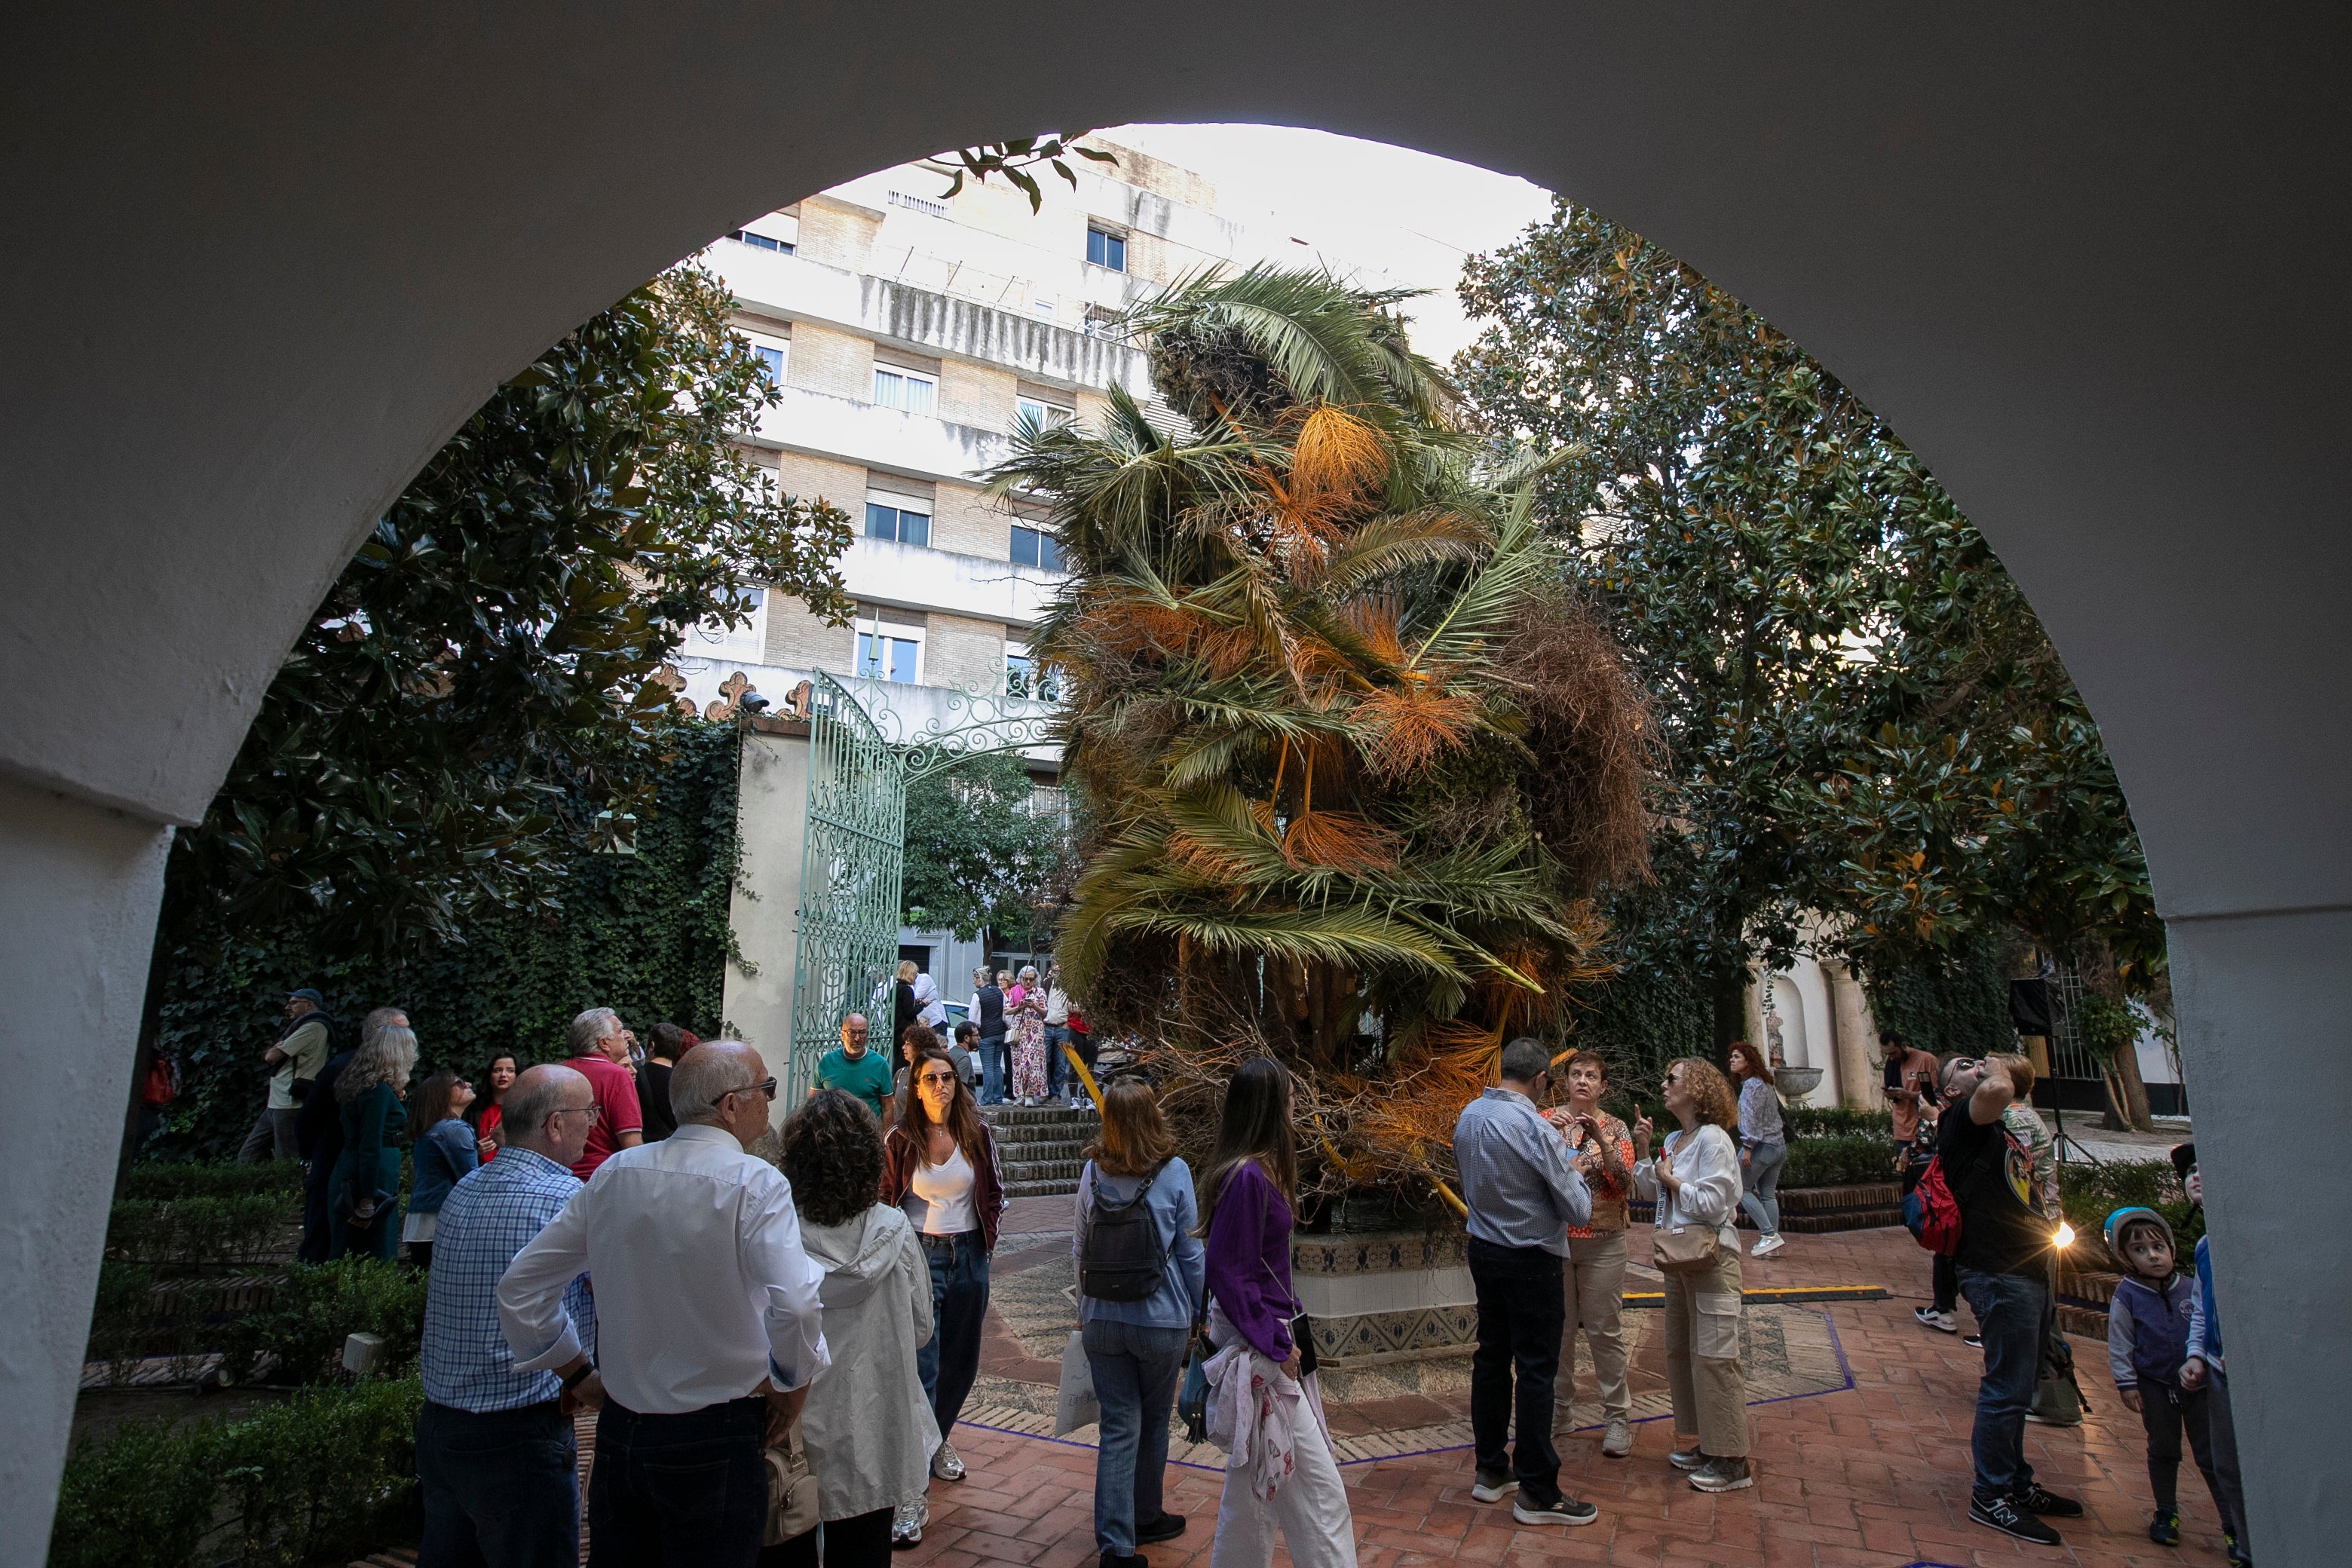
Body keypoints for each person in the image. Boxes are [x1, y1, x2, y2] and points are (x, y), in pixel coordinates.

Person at [498, 1041, 830, 1568]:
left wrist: (577, 1372)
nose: (771, 1100)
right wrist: (793, 1384)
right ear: (730, 1105)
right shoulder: (754, 1182)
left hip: (623, 1433)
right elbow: (794, 1304)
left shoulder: (614, 1174)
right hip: (715, 1436)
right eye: (765, 1089)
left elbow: (521, 1287)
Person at [415, 1064, 598, 1568]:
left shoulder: (464, 1190)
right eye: (590, 1113)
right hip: (519, 1435)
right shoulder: (565, 1200)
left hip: (441, 1424)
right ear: (556, 1124)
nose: (595, 1123)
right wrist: (589, 1377)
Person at [767, 1089, 939, 1568]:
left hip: (793, 1423)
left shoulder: (774, 1232)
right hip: (872, 1419)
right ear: (869, 1159)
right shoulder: (894, 1229)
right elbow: (922, 1326)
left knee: (788, 1539)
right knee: (863, 1551)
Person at [1199, 1057, 1358, 1568]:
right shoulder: (1248, 1177)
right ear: (1271, 1105)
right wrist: (1275, 1341)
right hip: (1264, 1351)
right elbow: (1228, 1269)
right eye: (1289, 1095)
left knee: (1255, 1494)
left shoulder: (1253, 1170)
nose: (1296, 1103)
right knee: (1318, 1492)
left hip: (1266, 1344)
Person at [1931, 1054, 2081, 1545]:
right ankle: (1990, 1494)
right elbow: (1998, 1089)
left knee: (2019, 1386)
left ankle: (2015, 1483)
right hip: (1997, 1271)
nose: (1977, 1064)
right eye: (1964, 1065)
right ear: (1950, 1092)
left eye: (1979, 1061)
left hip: (2026, 1267)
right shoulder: (1961, 1118)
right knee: (2005, 1388)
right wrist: (1995, 1067)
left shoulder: (1994, 1127)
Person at [1452, 1038, 1597, 1527]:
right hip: (1531, 1256)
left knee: (1491, 1357)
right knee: (1536, 1368)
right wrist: (1573, 1167)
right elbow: (1577, 1208)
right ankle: (1538, 1489)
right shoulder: (1533, 1128)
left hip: (1484, 1250)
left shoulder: (1469, 1115)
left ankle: (1491, 1470)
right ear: (1541, 1080)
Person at [1075, 1078, 1204, 1567]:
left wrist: (1083, 1312)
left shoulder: (1092, 1172)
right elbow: (1191, 1253)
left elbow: (1079, 1247)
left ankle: (1116, 1545)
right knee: (1153, 1422)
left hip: (1102, 1320)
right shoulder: (1174, 1173)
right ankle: (1146, 1514)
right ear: (1153, 1117)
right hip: (1160, 1320)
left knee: (1117, 1428)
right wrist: (1199, 1313)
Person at [880, 1046, 1006, 1546]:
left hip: (970, 1255)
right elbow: (884, 1199)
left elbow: (993, 1191)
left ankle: (936, 1441)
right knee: (922, 1367)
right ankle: (910, 1496)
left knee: (962, 1362)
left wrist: (988, 1239)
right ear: (915, 1086)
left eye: (948, 1078)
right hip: (919, 1257)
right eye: (930, 1079)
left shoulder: (977, 1134)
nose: (940, 1086)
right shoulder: (900, 1139)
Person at [1631, 1057, 1752, 1493]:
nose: (1663, 1085)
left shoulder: (1714, 1139)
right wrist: (1646, 1152)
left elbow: (1720, 1201)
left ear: (1697, 1089)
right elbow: (1649, 1191)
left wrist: (1676, 1183)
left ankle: (1732, 1458)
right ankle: (1704, 1442)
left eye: (1672, 1079)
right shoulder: (1675, 1139)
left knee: (1716, 1355)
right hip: (1681, 1258)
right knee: (1681, 1352)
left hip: (1712, 1258)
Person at [2105, 1205, 2247, 1554]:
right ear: (2124, 1257)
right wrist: (2126, 1382)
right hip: (2155, 1387)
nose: (2153, 1256)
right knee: (2164, 1451)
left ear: (2172, 1248)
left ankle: (2233, 1526)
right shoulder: (2127, 1296)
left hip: (2198, 1387)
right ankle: (2166, 1511)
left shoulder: (2189, 1288)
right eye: (2140, 1250)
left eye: (2158, 1247)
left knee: (2212, 1457)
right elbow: (2120, 1342)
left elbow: (2206, 1321)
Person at [1542, 1049, 1636, 1457]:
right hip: (1557, 1242)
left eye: (1591, 1075)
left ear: (1603, 1086)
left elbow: (1623, 1184)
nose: (1582, 1081)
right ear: (1564, 1081)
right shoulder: (1545, 1121)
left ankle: (1617, 1418)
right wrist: (1549, 1137)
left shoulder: (1615, 1128)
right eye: (1576, 1074)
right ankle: (1560, 1411)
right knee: (1558, 1333)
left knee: (1604, 1330)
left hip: (1603, 1242)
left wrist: (1600, 1141)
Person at [2176, 1144, 2253, 1567]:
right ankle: (2245, 1548)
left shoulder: (2247, 1239)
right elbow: (2204, 1308)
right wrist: (2197, 1354)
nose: (2196, 1176)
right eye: (2190, 1171)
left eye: (2206, 1168)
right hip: (2219, 1370)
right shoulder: (2206, 1247)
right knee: (2228, 1468)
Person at [299, 1005, 401, 1263]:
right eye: (400, 1032)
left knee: (345, 1242)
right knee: (329, 1237)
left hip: (350, 1162)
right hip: (338, 1159)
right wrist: (308, 1158)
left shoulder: (374, 1075)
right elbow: (309, 1118)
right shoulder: (351, 1073)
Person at [329, 1020, 418, 1261]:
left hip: (356, 1168)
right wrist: (368, 1197)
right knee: (375, 1248)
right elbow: (369, 1144)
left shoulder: (362, 1086)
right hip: (371, 1175)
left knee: (349, 1247)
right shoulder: (376, 1092)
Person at [240, 988, 335, 1162]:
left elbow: (271, 1056)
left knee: (287, 1160)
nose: (287, 1008)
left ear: (309, 1005)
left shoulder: (313, 1027)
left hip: (289, 1103)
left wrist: (278, 1046)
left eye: (293, 1003)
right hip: (277, 1103)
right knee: (248, 1156)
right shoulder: (305, 1026)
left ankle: (290, 1189)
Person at [403, 1069, 479, 1269]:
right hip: (443, 1220)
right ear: (442, 1095)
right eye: (459, 1083)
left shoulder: (434, 1128)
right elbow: (471, 1179)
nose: (467, 1085)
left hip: (421, 1220)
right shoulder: (455, 1129)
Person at [562, 1006, 645, 1181]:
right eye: (620, 1030)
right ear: (603, 1043)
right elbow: (632, 1145)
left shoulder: (556, 1072)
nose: (626, 1036)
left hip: (558, 1179)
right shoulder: (617, 1075)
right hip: (601, 1181)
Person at [1726, 1042, 1787, 1259]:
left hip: (1760, 1148)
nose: (1732, 1060)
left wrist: (1748, 1148)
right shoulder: (1766, 1083)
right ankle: (1772, 1243)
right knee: (1768, 1194)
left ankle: (1769, 1234)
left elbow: (1751, 1120)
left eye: (1737, 1057)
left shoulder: (1751, 1086)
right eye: (1732, 1057)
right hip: (1778, 1146)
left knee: (1741, 1189)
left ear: (1748, 1061)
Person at [813, 1012, 893, 1129]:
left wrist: (886, 1139)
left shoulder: (880, 1064)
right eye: (851, 1033)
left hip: (868, 1135)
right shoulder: (826, 1063)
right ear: (842, 1035)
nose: (857, 1038)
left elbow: (888, 1107)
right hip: (834, 1135)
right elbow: (813, 1102)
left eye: (862, 1032)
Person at [639, 1022, 688, 1142]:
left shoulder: (635, 1075)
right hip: (673, 1145)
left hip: (642, 1144)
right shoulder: (682, 1081)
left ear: (652, 1046)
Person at [1009, 965, 1048, 1105]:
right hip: (1019, 1030)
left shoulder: (1040, 992)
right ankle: (1020, 1094)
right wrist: (1019, 1006)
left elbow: (1044, 1012)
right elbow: (1007, 1010)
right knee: (1018, 1063)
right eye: (1025, 979)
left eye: (1031, 979)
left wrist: (1033, 1006)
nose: (1028, 982)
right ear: (1021, 979)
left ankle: (1030, 1093)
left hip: (1035, 1031)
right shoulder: (1015, 991)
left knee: (1032, 1063)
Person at [1042, 962, 1078, 1107]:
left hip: (1062, 1027)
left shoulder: (1070, 987)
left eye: (1060, 971)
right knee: (1044, 1061)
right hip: (1047, 1026)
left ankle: (1056, 1094)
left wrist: (1068, 1020)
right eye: (1055, 971)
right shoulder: (1047, 984)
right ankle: (1044, 1091)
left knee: (1061, 1064)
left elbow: (1075, 1006)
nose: (1057, 974)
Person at [970, 968, 1008, 1106]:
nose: (973, 981)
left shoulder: (978, 995)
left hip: (986, 1034)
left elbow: (973, 1019)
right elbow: (1005, 1010)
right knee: (997, 1066)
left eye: (974, 978)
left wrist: (974, 1036)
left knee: (987, 1068)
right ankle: (998, 1097)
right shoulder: (999, 991)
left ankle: (986, 1099)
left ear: (979, 979)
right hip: (1000, 1033)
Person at [471, 1052, 518, 1162]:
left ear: (517, 1075)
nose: (503, 1075)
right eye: (497, 1070)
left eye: (510, 1070)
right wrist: (476, 1152)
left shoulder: (522, 1109)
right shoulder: (474, 1109)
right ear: (489, 1075)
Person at [893, 960, 923, 1046]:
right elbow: (909, 1012)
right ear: (910, 974)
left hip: (896, 1029)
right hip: (904, 1031)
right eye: (915, 974)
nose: (916, 978)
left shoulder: (896, 988)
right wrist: (922, 1005)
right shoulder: (907, 990)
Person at [948, 1021, 982, 1091]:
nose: (979, 1038)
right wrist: (972, 1102)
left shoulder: (952, 1052)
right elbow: (961, 1088)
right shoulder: (964, 1058)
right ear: (966, 1038)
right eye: (976, 1035)